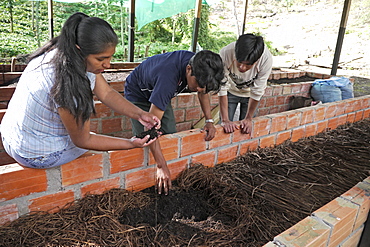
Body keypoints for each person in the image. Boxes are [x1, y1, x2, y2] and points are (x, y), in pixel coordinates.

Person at [0, 13, 160, 171]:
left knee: (89, 134)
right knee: (92, 148)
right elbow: (84, 140)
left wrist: (140, 114)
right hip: (35, 154)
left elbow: (106, 94)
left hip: (13, 136)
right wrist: (130, 144)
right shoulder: (67, 84)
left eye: (110, 57)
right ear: (79, 50)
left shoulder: (61, 53)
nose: (108, 65)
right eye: (101, 59)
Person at [124, 50, 225, 195]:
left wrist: (209, 120)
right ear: (188, 69)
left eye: (203, 87)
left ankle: (168, 175)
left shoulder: (201, 66)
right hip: (138, 93)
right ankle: (150, 177)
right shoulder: (168, 79)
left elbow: (202, 92)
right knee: (145, 139)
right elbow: (150, 128)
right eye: (197, 84)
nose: (198, 89)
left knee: (170, 135)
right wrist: (161, 165)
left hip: (158, 89)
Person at [218, 33, 273, 134]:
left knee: (246, 128)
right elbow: (222, 87)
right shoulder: (226, 53)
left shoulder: (266, 59)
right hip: (231, 91)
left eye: (248, 65)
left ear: (256, 61)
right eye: (239, 62)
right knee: (223, 128)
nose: (242, 68)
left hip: (251, 96)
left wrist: (248, 118)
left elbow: (257, 91)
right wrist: (225, 120)